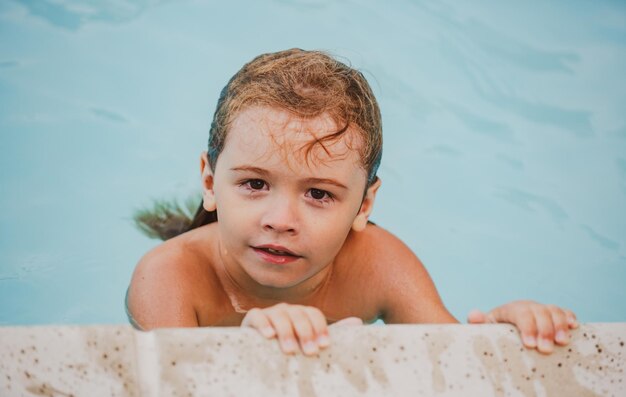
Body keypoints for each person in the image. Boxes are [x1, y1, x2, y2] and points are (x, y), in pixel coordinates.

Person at [127, 48, 578, 356]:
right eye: (254, 184)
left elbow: (457, 360)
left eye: (319, 194)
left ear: (364, 206)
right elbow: (167, 384)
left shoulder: (378, 265)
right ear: (209, 180)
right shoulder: (168, 277)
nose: (281, 220)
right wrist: (243, 358)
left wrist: (506, 335)